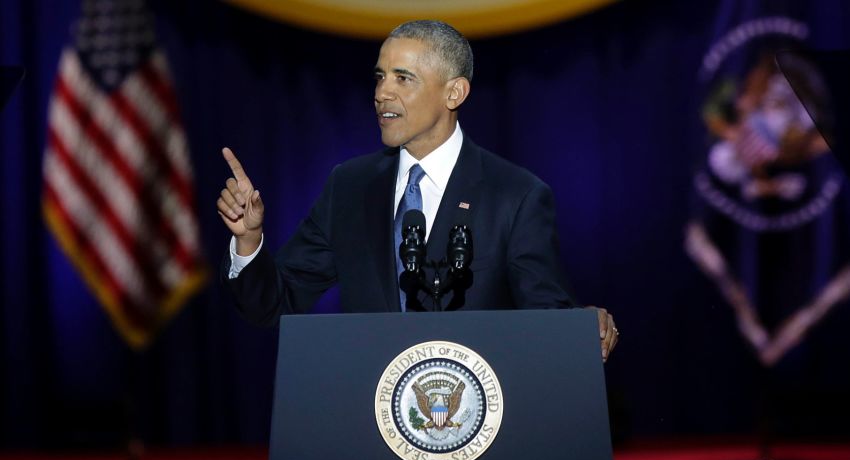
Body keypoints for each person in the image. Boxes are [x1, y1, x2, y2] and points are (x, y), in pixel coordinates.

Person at [216, 20, 619, 361]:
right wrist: (248, 242)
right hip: (368, 424)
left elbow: (546, 316)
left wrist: (580, 327)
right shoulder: (350, 186)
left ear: (454, 93)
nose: (381, 94)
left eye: (402, 78)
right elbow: (274, 303)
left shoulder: (516, 195)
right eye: (380, 77)